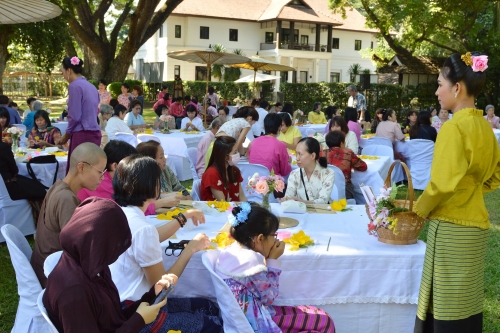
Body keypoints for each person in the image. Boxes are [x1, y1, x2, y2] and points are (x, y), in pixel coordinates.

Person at [413, 52, 500, 333]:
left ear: (457, 87)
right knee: (467, 305)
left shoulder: (453, 128)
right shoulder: (486, 128)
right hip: (476, 226)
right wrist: (472, 191)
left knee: (445, 308)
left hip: (451, 227)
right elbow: (496, 174)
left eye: (440, 84)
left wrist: (419, 210)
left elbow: (441, 184)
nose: (437, 91)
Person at [109, 156, 223, 333]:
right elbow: (162, 286)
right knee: (214, 324)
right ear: (148, 184)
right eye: (157, 179)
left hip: (120, 304)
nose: (160, 184)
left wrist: (184, 216)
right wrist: (191, 248)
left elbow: (151, 236)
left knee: (210, 307)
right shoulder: (142, 228)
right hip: (138, 315)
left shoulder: (120, 213)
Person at [43, 197, 173, 333]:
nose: (116, 255)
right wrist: (139, 320)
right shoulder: (74, 293)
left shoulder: (89, 263)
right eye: (114, 246)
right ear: (98, 243)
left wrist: (153, 294)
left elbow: (114, 319)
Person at [217, 202, 335, 332]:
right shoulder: (251, 261)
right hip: (258, 323)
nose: (275, 240)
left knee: (321, 317)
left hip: (246, 318)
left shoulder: (228, 251)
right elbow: (269, 297)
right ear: (260, 238)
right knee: (325, 323)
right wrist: (272, 260)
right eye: (274, 235)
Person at [31, 142, 107, 287]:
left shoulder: (58, 185)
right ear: (81, 167)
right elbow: (78, 251)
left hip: (44, 268)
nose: (102, 178)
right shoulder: (66, 198)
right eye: (100, 172)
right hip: (54, 278)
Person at [78, 140, 181, 214]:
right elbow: (125, 210)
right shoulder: (102, 183)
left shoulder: (113, 179)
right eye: (130, 164)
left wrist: (160, 197)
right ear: (115, 166)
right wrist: (160, 202)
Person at [57, 57, 102, 173]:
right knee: (90, 171)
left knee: (77, 173)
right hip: (94, 133)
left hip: (82, 134)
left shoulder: (74, 86)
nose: (62, 76)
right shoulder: (91, 86)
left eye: (62, 72)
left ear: (69, 71)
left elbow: (75, 116)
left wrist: (66, 135)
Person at [279, 137, 334, 204]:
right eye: (296, 153)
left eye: (300, 154)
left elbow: (323, 202)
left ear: (313, 156)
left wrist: (299, 202)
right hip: (301, 212)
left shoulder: (328, 173)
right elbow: (289, 197)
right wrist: (286, 200)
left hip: (321, 213)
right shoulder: (294, 174)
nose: (297, 158)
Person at [0, 140, 46, 214]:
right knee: (40, 190)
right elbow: (14, 171)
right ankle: (41, 220)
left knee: (31, 183)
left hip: (4, 186)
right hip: (7, 189)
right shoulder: (3, 147)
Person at [201, 136, 248, 202]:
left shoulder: (234, 170)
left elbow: (242, 197)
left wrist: (249, 208)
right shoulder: (212, 174)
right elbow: (222, 203)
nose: (238, 154)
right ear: (225, 157)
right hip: (218, 210)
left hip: (235, 209)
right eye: (235, 152)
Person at [325, 131, 367, 199]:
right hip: (345, 189)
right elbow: (363, 167)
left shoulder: (321, 154)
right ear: (342, 144)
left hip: (325, 187)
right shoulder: (348, 153)